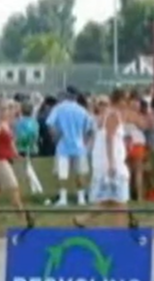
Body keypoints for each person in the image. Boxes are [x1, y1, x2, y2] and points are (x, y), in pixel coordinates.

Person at [74, 88, 130, 228]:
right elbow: (109, 138)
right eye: (125, 100)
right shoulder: (112, 115)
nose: (127, 103)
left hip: (106, 160)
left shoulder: (107, 114)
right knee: (120, 201)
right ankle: (120, 231)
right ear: (119, 100)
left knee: (109, 199)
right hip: (112, 162)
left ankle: (83, 219)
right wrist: (112, 163)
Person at [47, 87, 92, 207]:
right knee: (80, 172)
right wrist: (84, 141)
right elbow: (89, 128)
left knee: (62, 173)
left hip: (63, 145)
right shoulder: (82, 110)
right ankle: (81, 198)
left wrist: (55, 137)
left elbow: (50, 124)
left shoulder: (59, 108)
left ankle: (63, 198)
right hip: (79, 146)